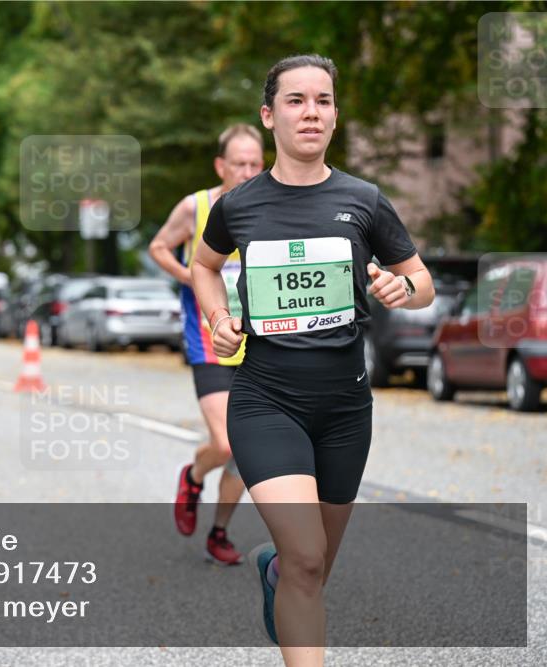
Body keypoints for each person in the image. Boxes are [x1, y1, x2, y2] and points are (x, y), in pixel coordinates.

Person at [191, 55, 434, 662]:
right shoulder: (239, 205)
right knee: (306, 556)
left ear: (335, 116)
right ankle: (286, 570)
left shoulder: (364, 200)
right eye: (296, 100)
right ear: (268, 116)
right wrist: (219, 321)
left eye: (323, 100)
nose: (311, 112)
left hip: (345, 408)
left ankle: (273, 571)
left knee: (313, 567)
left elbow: (422, 283)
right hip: (266, 401)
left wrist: (401, 287)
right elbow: (204, 265)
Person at [148, 124, 264, 565]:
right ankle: (194, 476)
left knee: (248, 449)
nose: (248, 172)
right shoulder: (195, 207)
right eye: (239, 164)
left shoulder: (270, 206)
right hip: (209, 340)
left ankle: (219, 532)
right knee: (228, 442)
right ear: (220, 166)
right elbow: (160, 247)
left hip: (260, 343)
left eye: (255, 164)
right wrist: (193, 277)